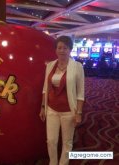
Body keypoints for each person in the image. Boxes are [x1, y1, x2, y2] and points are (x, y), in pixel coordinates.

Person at [39, 36, 85, 165]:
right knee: (51, 141)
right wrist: (43, 106)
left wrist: (79, 113)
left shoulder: (77, 66)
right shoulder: (50, 65)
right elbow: (45, 88)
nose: (62, 50)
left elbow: (81, 93)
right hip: (51, 108)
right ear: (55, 50)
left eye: (65, 48)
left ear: (70, 50)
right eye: (59, 48)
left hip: (69, 111)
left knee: (67, 142)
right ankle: (53, 163)